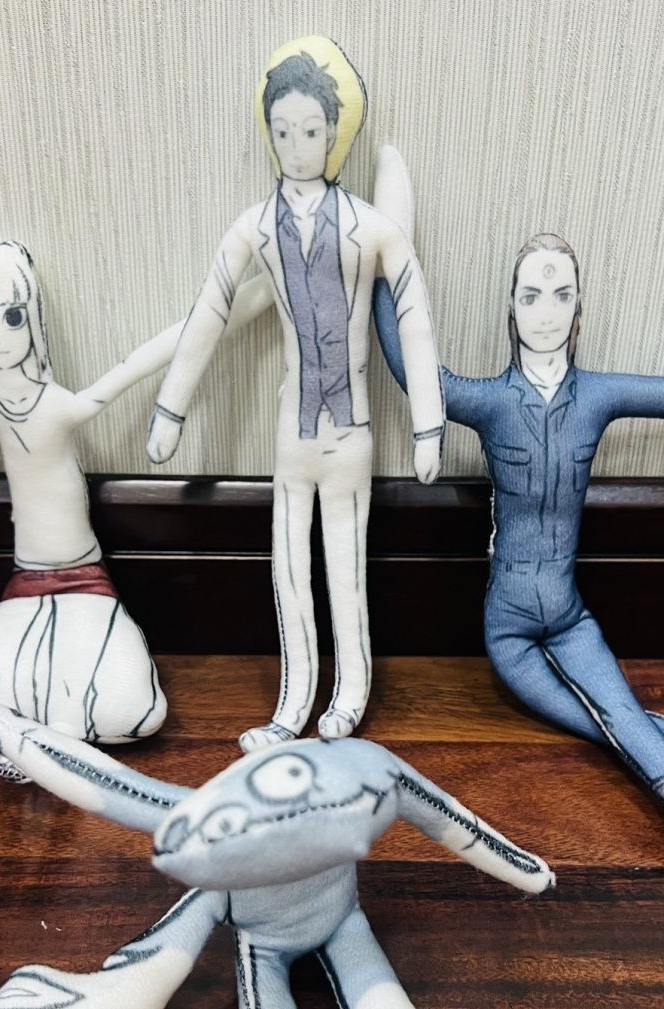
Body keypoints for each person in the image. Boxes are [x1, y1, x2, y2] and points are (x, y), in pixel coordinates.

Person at [372, 153, 664, 866]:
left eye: (560, 294)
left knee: (614, 711)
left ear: (579, 309)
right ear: (510, 308)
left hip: (570, 619)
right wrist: (389, 251)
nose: (545, 310)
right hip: (508, 636)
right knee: (608, 716)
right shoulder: (488, 402)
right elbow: (408, 367)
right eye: (531, 295)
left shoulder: (598, 396)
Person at [0, 241, 271, 778]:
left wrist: (253, 296)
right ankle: (31, 739)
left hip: (84, 584)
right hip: (23, 586)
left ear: (33, 320)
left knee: (132, 707)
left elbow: (151, 355)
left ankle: (44, 741)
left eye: (12, 316)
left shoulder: (62, 405)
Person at [147, 37, 444, 753]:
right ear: (269, 132)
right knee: (288, 568)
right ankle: (293, 701)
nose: (297, 146)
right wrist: (170, 407)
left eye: (311, 131)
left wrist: (429, 423)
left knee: (345, 565)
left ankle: (350, 693)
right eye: (283, 131)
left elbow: (414, 311)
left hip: (351, 431)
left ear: (336, 133)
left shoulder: (369, 228)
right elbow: (209, 311)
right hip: (292, 431)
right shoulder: (253, 228)